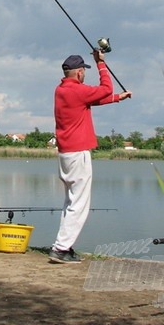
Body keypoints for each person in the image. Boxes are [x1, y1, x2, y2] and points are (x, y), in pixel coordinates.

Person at [49, 50, 132, 264]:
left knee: (70, 202)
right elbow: (106, 88)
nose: (85, 74)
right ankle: (61, 248)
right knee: (79, 204)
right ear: (78, 73)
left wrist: (116, 99)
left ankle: (62, 246)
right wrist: (101, 64)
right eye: (84, 71)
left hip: (66, 153)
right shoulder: (77, 90)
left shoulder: (62, 90)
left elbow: (92, 100)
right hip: (78, 153)